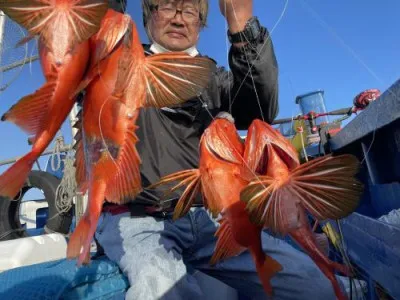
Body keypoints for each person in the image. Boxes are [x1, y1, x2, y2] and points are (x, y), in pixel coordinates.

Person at [94, 0, 346, 299]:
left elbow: (259, 108)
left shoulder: (214, 76)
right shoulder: (119, 62)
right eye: (166, 7)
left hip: (215, 220)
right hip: (138, 220)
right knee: (161, 291)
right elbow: (98, 20)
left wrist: (242, 28)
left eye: (190, 11)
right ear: (148, 16)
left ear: (201, 25)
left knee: (317, 288)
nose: (179, 19)